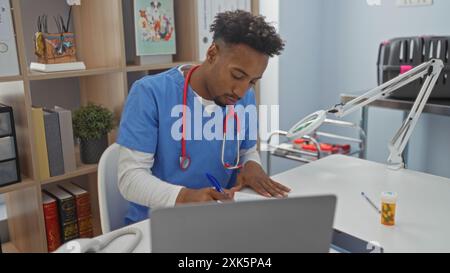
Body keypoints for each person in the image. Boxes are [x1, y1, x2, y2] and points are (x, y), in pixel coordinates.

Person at [117, 10, 290, 224]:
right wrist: (185, 197)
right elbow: (130, 179)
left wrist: (251, 165)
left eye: (252, 81)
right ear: (212, 54)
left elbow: (247, 151)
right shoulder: (150, 93)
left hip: (218, 218)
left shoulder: (244, 98)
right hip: (157, 224)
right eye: (237, 75)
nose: (241, 91)